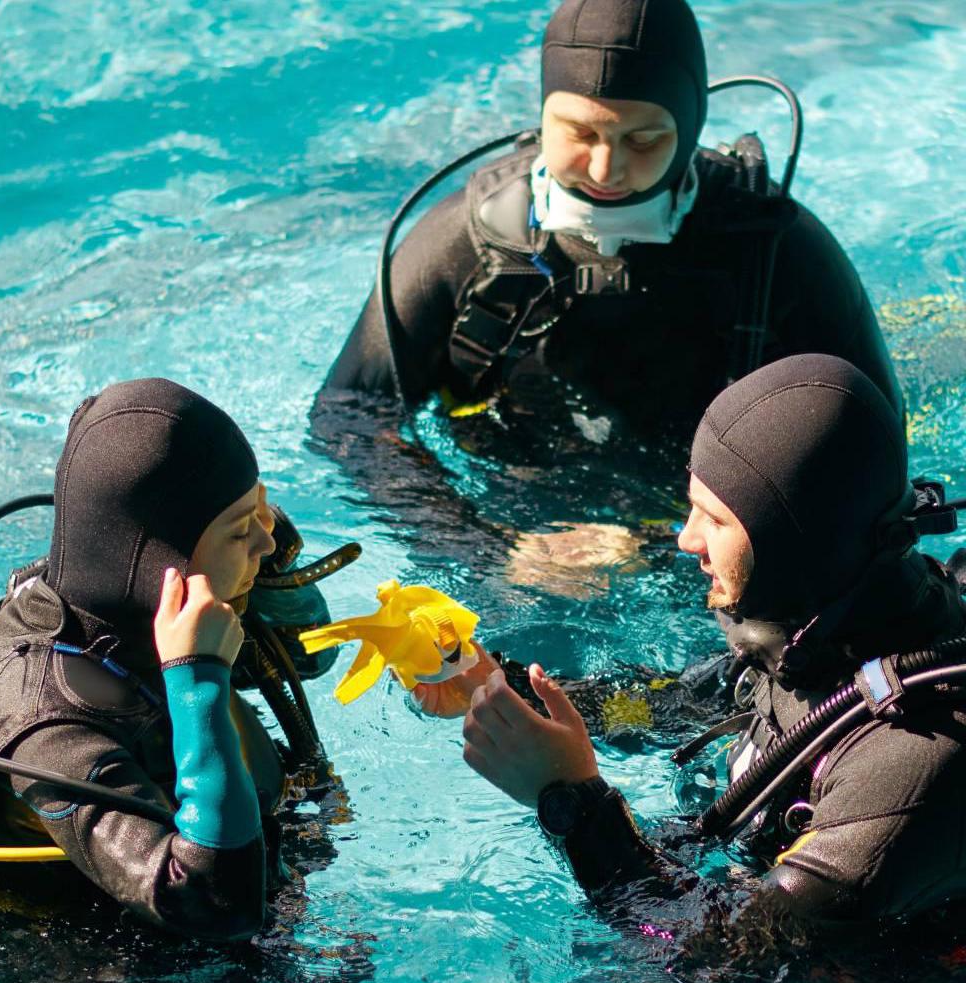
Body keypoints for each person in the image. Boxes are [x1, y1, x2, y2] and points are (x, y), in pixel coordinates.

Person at [311, 0, 900, 563]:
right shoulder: (464, 245)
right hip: (510, 517)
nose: (605, 169)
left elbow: (872, 449)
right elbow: (347, 422)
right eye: (579, 133)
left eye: (643, 140)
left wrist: (681, 546)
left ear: (690, 125)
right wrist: (490, 548)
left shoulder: (773, 248)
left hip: (704, 538)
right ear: (542, 114)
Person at [458, 354, 966, 937]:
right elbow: (669, 707)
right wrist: (500, 685)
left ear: (797, 543)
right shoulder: (813, 632)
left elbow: (708, 956)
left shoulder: (914, 769)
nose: (685, 538)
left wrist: (570, 802)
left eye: (716, 520)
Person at [0, 378, 340, 941]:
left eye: (261, 516)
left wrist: (261, 543)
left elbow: (312, 657)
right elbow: (219, 907)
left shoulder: (137, 609)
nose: (264, 546)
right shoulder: (46, 730)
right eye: (240, 531)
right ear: (160, 560)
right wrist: (197, 680)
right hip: (110, 975)